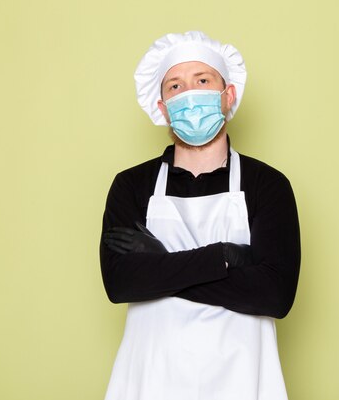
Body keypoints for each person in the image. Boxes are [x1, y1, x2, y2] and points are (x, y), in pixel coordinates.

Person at [100, 30, 301, 400]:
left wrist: (160, 264)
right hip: (151, 379)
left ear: (229, 95)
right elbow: (120, 284)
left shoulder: (267, 185)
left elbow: (274, 295)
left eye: (202, 80)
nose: (189, 94)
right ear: (161, 107)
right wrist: (224, 255)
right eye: (175, 86)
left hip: (243, 380)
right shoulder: (131, 186)